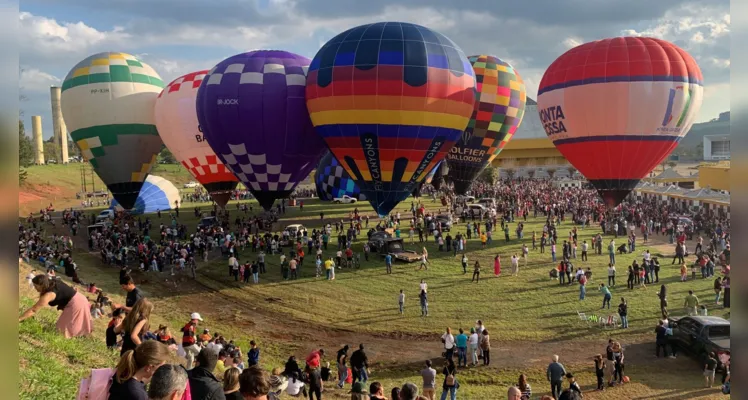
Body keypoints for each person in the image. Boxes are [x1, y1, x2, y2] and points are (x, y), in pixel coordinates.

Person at [19, 274, 93, 338]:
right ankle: (84, 336)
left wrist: (19, 319)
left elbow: (33, 310)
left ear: (41, 285)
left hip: (77, 303)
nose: (35, 288)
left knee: (62, 331)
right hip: (80, 298)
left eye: (36, 286)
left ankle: (79, 339)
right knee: (78, 324)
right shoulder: (53, 282)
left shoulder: (49, 294)